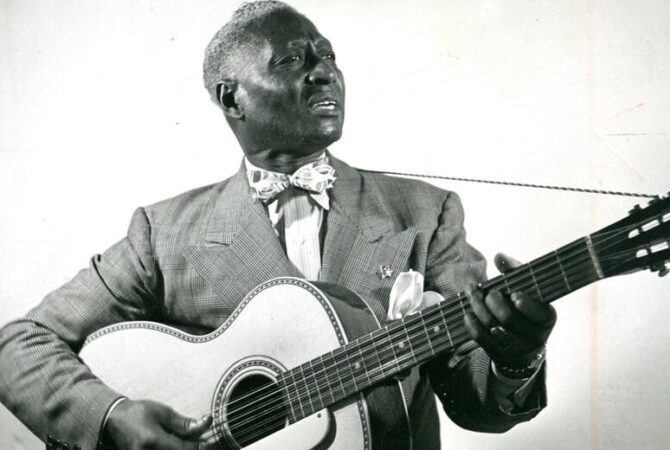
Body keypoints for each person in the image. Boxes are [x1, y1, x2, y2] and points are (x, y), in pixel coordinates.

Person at [0, 2, 557, 449]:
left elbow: (477, 405)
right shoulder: (162, 234)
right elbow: (18, 346)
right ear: (231, 97)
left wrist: (516, 357)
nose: (325, 73)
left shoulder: (425, 212)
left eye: (329, 56)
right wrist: (112, 417)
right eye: (292, 61)